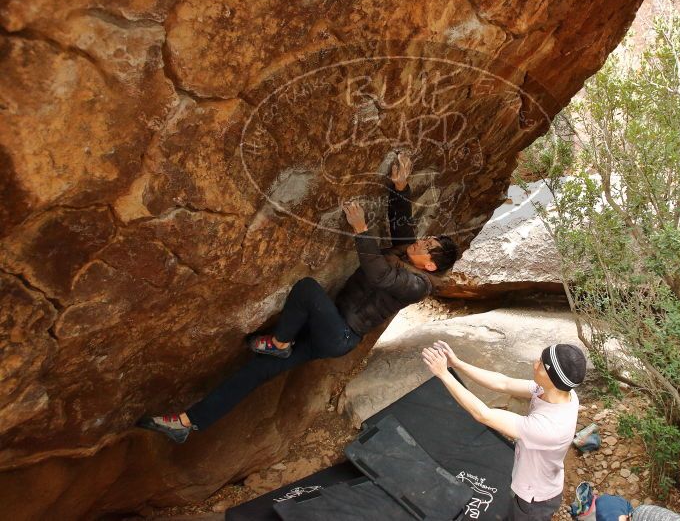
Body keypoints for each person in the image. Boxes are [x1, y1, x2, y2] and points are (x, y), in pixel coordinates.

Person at [137, 151, 459, 443]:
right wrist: (400, 185)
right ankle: (187, 421)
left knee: (307, 289)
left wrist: (361, 230)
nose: (422, 241)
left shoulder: (419, 286)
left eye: (427, 246)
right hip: (329, 324)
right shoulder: (409, 251)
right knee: (256, 370)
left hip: (339, 335)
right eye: (426, 239)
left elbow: (380, 275)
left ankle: (279, 343)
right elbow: (402, 222)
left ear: (429, 264)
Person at [422, 340, 587, 521]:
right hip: (538, 481)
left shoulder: (549, 427)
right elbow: (503, 383)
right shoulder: (560, 392)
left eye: (541, 364)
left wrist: (444, 375)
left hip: (534, 499)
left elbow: (483, 415)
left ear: (553, 379)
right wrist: (457, 363)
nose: (534, 364)